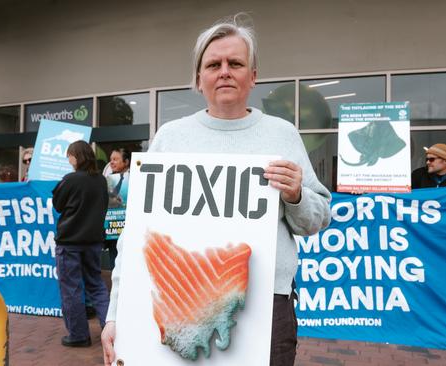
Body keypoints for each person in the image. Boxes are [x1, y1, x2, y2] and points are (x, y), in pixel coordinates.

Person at [101, 17, 332, 366]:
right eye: (213, 64)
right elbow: (135, 237)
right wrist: (115, 313)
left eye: (235, 63)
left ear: (252, 76)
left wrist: (297, 195)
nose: (224, 71)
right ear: (198, 79)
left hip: (266, 307)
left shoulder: (282, 134)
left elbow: (318, 218)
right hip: (179, 306)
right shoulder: (170, 137)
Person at [52, 140, 110, 348]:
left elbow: (58, 205)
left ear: (76, 157)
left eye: (69, 155)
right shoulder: (101, 181)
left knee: (71, 289)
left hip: (70, 241)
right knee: (96, 285)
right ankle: (109, 328)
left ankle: (78, 335)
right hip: (93, 240)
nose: (68, 159)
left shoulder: (70, 179)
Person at [102, 148, 131, 272]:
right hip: (113, 232)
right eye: (111, 160)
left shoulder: (136, 178)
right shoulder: (108, 180)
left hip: (129, 230)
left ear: (126, 162)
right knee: (115, 266)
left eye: (116, 159)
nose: (112, 162)